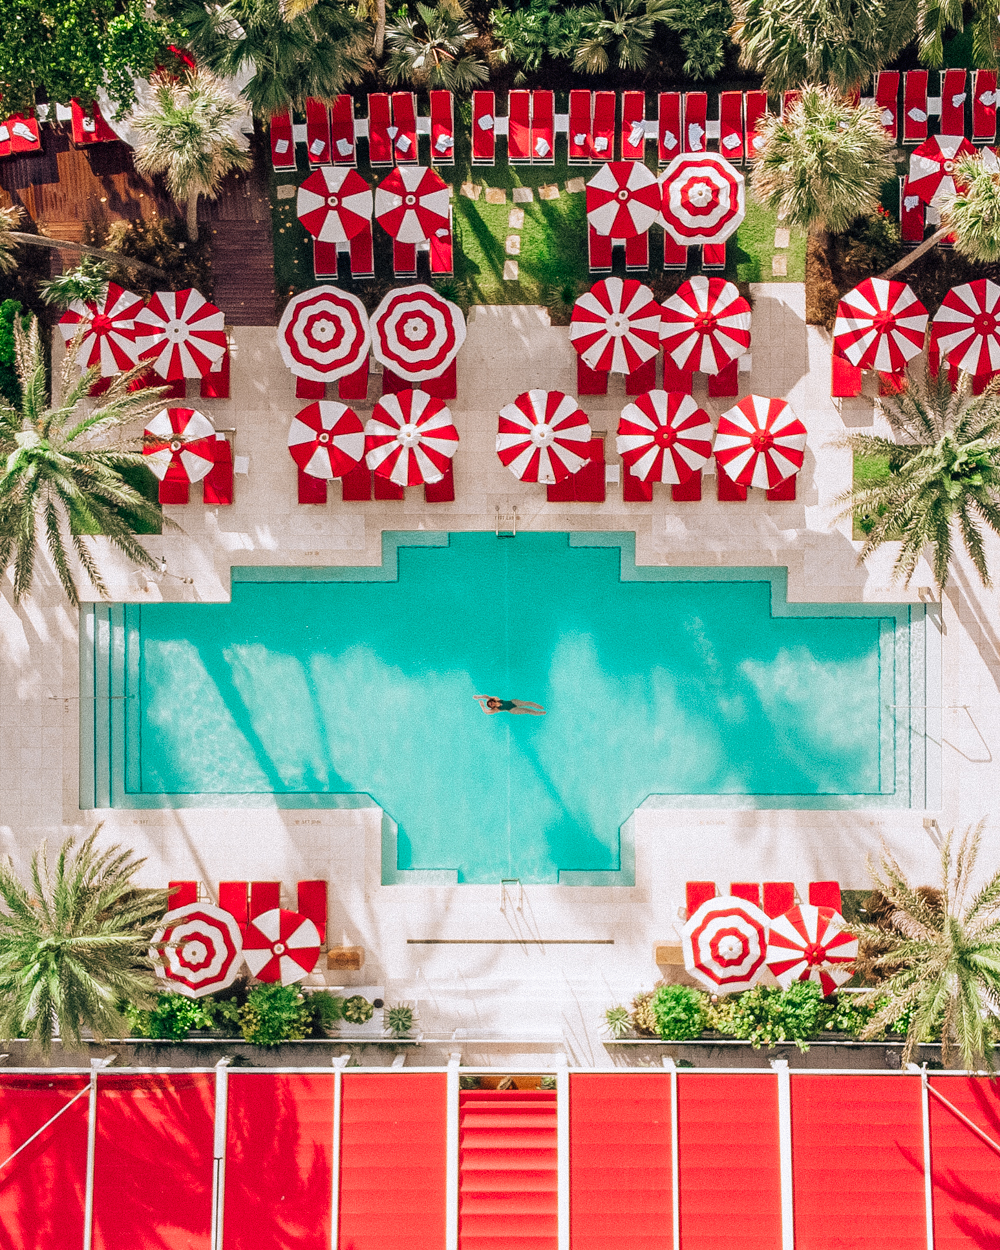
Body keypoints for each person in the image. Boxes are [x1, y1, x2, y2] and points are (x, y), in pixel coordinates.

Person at [474, 695, 546, 716]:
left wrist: (478, 697)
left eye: (491, 702)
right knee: (527, 710)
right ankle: (540, 713)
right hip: (512, 710)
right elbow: (486, 712)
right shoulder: (496, 709)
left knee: (527, 703)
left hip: (513, 702)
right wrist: (482, 705)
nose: (492, 704)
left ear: (492, 701)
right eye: (490, 705)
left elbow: (486, 696)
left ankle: (540, 707)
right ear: (492, 707)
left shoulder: (497, 699)